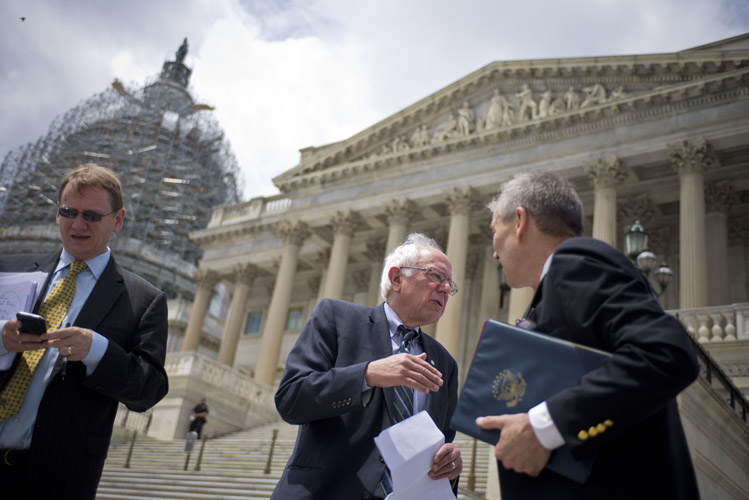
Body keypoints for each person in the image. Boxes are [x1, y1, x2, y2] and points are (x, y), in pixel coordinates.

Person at [476, 171, 700, 499]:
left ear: (520, 221)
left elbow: (665, 352)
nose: (493, 252)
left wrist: (543, 427)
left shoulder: (575, 263)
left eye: (495, 231)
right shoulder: (553, 286)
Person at [0, 164, 169, 500]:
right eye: (68, 211)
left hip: (59, 477)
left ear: (117, 220)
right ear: (57, 212)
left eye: (91, 215)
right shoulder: (9, 269)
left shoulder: (143, 301)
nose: (77, 224)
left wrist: (99, 352)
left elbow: (149, 389)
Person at [272, 233, 463, 500]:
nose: (445, 289)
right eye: (435, 276)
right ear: (397, 279)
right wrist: (367, 375)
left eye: (450, 284)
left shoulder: (445, 363)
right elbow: (291, 398)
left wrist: (450, 465)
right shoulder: (337, 319)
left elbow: (442, 445)